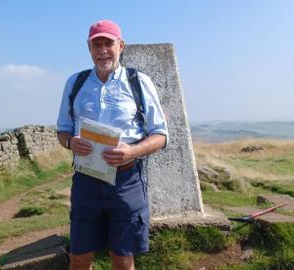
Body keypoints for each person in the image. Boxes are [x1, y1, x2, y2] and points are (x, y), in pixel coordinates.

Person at [56, 19, 168, 270]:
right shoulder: (75, 83)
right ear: (89, 48)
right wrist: (70, 142)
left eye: (109, 43)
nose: (103, 50)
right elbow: (62, 130)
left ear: (121, 45)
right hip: (86, 182)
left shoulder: (139, 82)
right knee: (79, 257)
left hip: (126, 182)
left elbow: (160, 135)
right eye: (97, 44)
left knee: (123, 259)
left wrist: (132, 151)